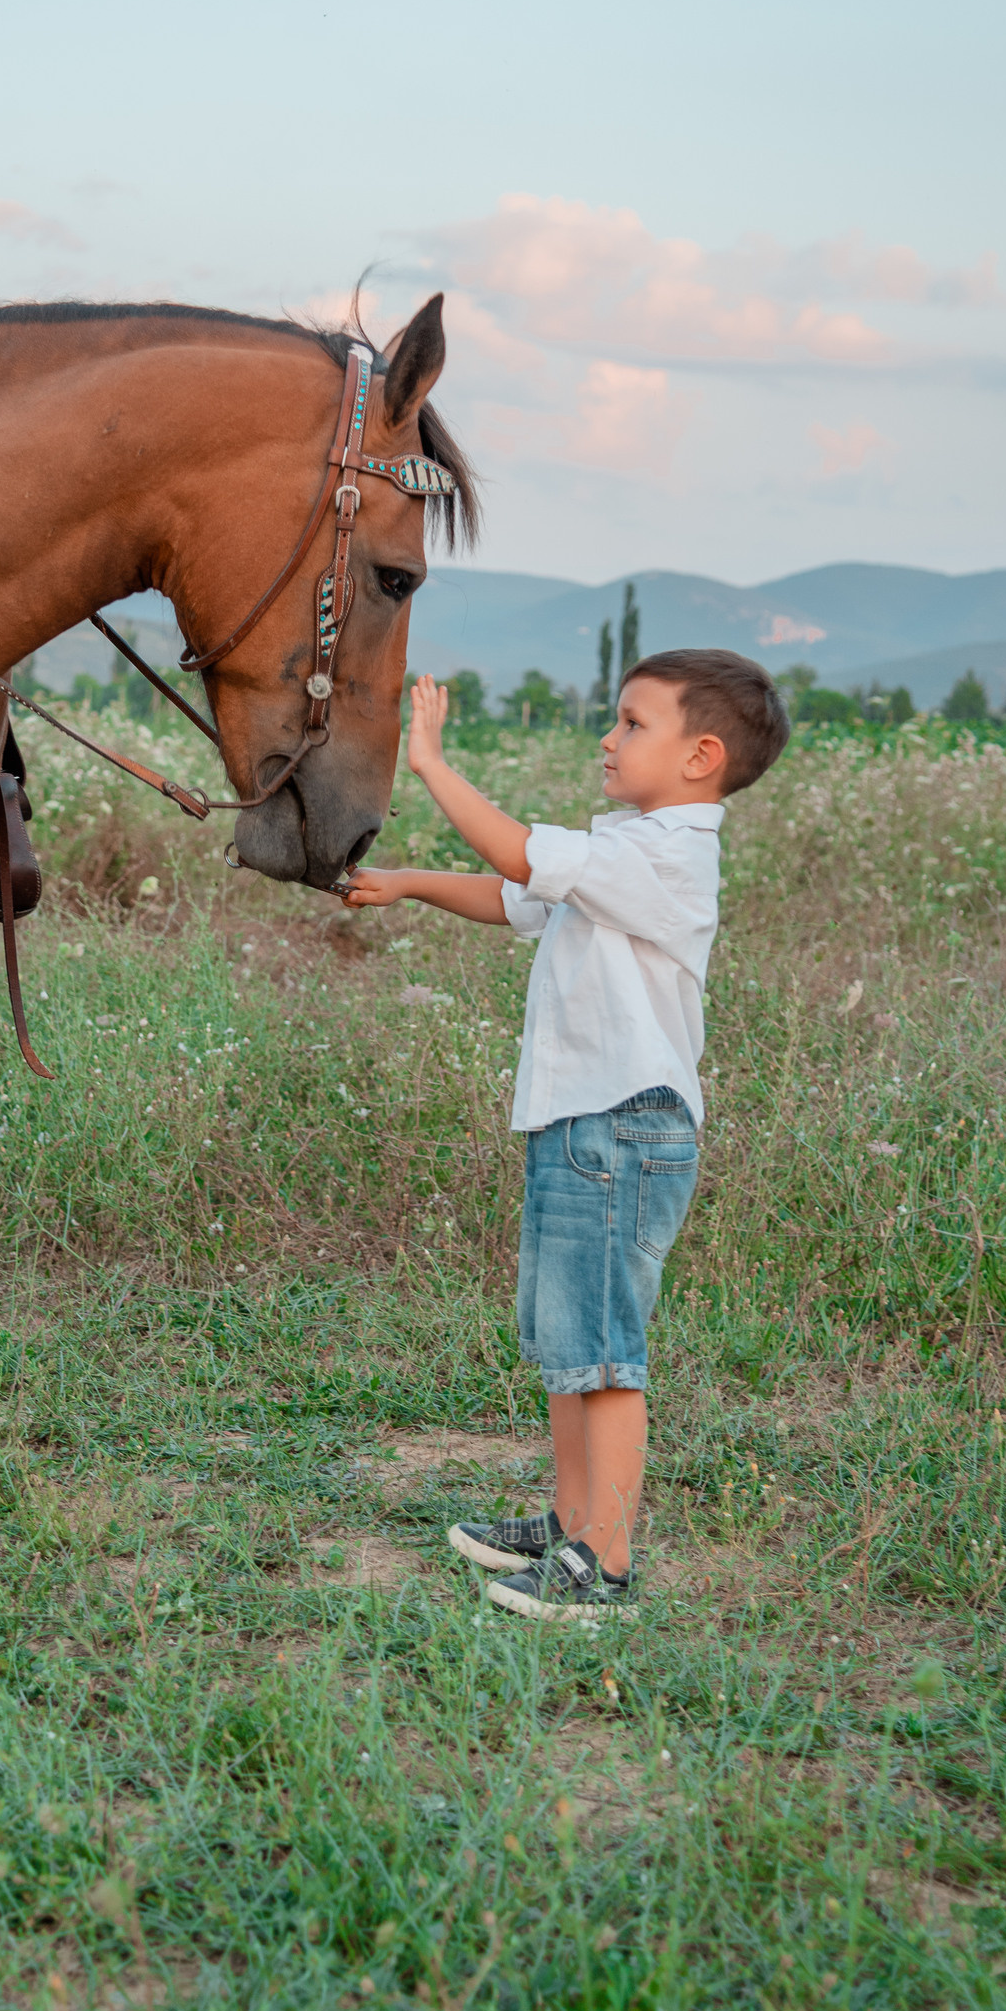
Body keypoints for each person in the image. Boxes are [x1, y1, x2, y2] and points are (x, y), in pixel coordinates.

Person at [342, 649, 789, 1623]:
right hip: (580, 1120)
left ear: (700, 756)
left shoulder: (666, 857)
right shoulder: (624, 847)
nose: (607, 737)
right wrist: (406, 884)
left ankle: (605, 1564)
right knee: (565, 1339)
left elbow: (518, 856)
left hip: (624, 1126)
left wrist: (429, 761)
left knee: (603, 1350)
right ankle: (571, 1521)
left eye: (631, 722)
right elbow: (515, 896)